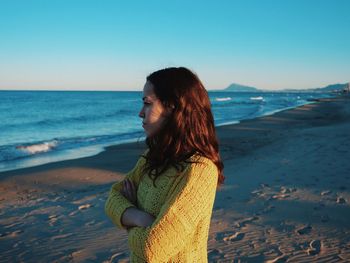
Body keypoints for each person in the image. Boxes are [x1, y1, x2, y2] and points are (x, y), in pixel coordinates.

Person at [105, 67, 224, 262]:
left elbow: (152, 249)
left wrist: (126, 216)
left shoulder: (199, 171)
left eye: (147, 103)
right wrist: (140, 218)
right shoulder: (153, 156)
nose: (140, 113)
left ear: (173, 107)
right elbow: (112, 198)